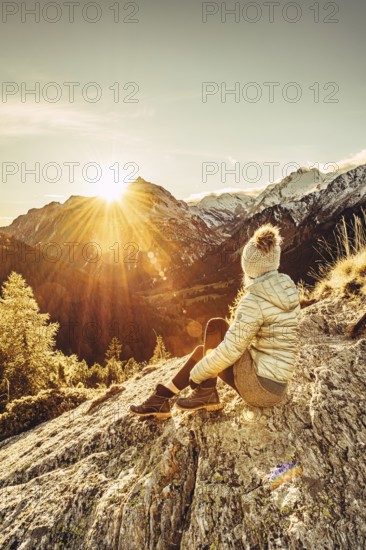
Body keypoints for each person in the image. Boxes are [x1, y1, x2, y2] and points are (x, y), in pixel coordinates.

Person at [129, 223, 301, 419]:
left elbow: (230, 350)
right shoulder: (287, 290)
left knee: (216, 327)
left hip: (260, 389)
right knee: (204, 351)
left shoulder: (254, 301)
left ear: (249, 267)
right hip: (277, 386)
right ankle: (161, 398)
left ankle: (205, 392)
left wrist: (197, 374)